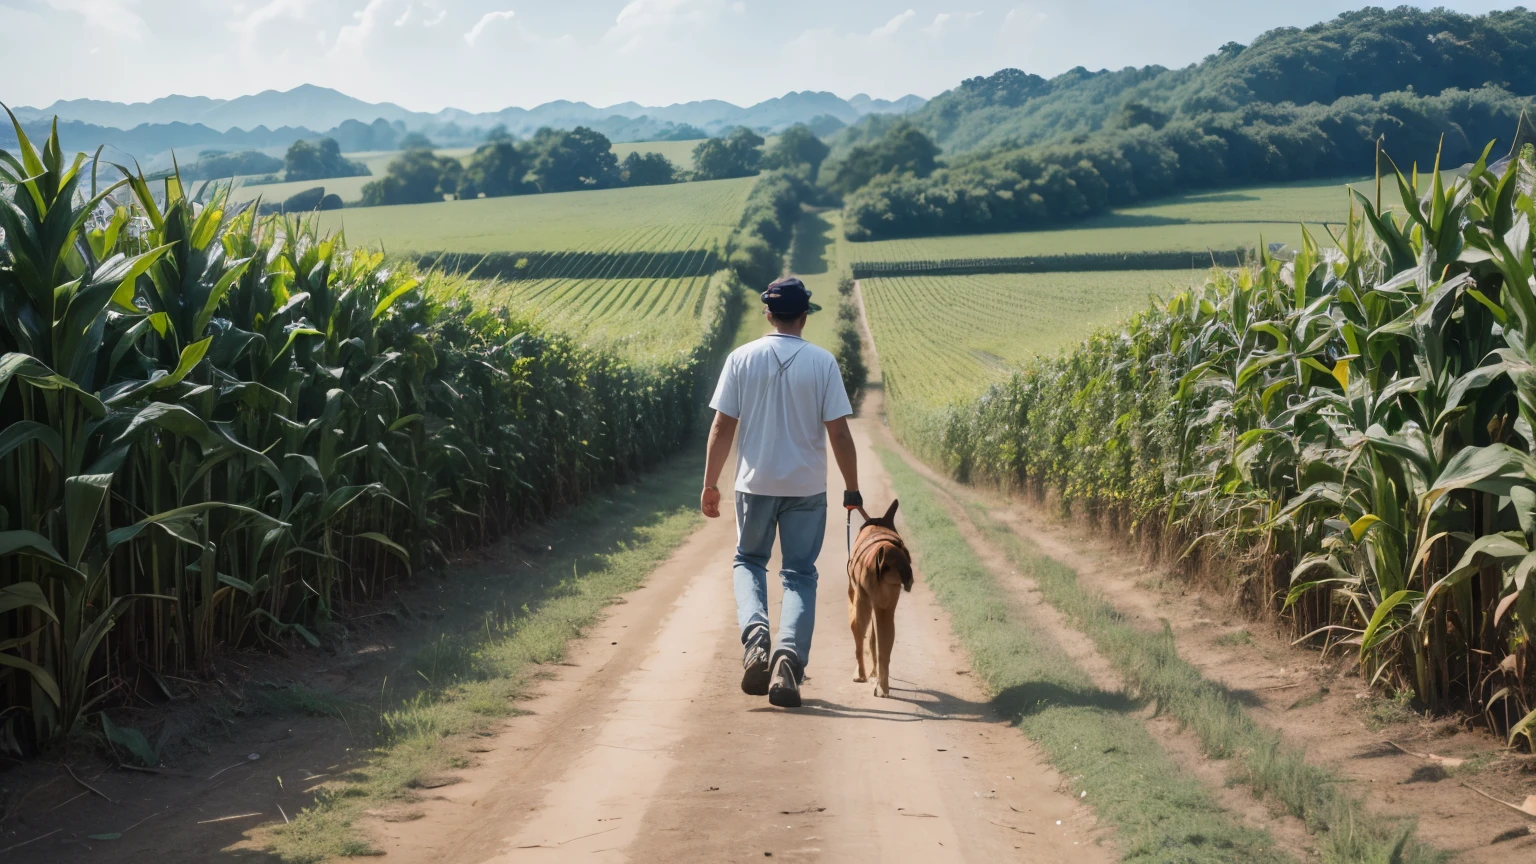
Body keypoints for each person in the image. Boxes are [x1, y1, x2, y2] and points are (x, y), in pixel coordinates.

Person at [701, 276, 861, 708]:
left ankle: (756, 639)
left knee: (748, 561)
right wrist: (852, 490)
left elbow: (722, 427)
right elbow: (840, 434)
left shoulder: (740, 359)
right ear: (804, 316)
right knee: (799, 574)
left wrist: (710, 482)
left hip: (754, 484)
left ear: (768, 313)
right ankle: (788, 660)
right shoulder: (823, 362)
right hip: (806, 487)